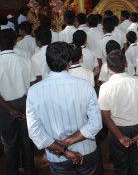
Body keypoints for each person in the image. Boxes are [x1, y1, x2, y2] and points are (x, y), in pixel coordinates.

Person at [27, 42, 102, 175]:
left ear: (47, 62)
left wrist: (63, 149)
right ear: (69, 62)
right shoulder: (84, 85)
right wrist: (67, 143)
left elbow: (35, 133)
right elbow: (95, 124)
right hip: (86, 149)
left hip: (57, 155)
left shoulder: (34, 91)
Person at [0, 29, 36, 175]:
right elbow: (33, 86)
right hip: (25, 103)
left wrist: (10, 110)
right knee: (26, 140)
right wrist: (28, 105)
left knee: (9, 143)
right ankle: (30, 169)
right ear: (15, 42)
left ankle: (13, 171)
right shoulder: (26, 61)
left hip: (4, 105)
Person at [98, 50, 138, 175]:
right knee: (137, 162)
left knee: (120, 164)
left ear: (108, 67)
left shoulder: (105, 87)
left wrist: (120, 136)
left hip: (117, 129)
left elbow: (105, 117)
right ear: (126, 64)